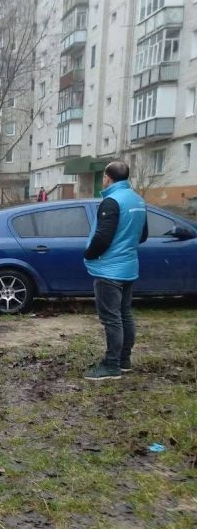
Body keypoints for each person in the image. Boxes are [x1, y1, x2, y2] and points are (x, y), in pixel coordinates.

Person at [83, 160, 148, 380]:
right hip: (129, 267)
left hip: (109, 270)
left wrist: (88, 253)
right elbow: (143, 235)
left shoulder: (111, 201)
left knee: (111, 319)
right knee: (125, 314)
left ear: (107, 177)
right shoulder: (138, 200)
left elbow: (103, 237)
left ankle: (111, 365)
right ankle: (124, 360)